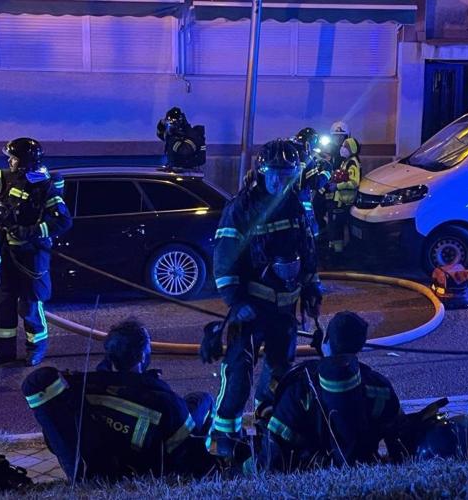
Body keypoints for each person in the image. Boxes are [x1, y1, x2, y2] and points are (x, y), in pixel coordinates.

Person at [203, 138, 322, 458]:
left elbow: (308, 249)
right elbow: (225, 260)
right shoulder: (241, 208)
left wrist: (312, 286)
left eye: (288, 175)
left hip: (285, 309)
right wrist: (236, 301)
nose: (281, 182)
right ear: (261, 172)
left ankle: (268, 430)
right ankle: (225, 437)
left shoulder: (297, 204)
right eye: (275, 175)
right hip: (252, 309)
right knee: (238, 375)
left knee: (278, 375)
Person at [22, 319, 215, 481]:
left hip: (106, 460)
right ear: (142, 356)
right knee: (203, 400)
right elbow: (185, 450)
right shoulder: (166, 403)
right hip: (147, 466)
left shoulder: (84, 387)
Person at [251, 312, 401, 472]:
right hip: (364, 461)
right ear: (360, 346)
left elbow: (274, 455)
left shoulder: (300, 387)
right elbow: (400, 439)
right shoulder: (379, 387)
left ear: (326, 340)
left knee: (266, 405)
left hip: (310, 469)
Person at [0, 138, 72, 367]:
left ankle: (36, 348)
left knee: (30, 304)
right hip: (8, 253)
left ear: (25, 161)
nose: (9, 161)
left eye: (13, 158)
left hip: (32, 256)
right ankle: (4, 352)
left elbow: (63, 221)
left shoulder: (45, 186)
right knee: (2, 302)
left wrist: (28, 232)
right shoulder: (10, 177)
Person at [292, 127, 330, 238]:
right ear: (310, 142)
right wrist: (327, 170)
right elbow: (316, 183)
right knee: (311, 230)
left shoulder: (290, 154)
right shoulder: (306, 157)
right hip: (302, 201)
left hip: (285, 201)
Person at [327, 137, 361, 257]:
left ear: (352, 149)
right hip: (340, 199)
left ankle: (338, 254)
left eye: (345, 146)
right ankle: (334, 250)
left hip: (344, 201)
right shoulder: (346, 161)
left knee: (337, 227)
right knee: (334, 226)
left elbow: (354, 183)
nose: (342, 148)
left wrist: (337, 186)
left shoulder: (352, 163)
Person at [156, 107, 206, 172]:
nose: (171, 125)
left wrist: (175, 138)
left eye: (173, 122)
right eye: (169, 122)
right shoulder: (173, 135)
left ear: (179, 122)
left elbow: (184, 152)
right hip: (175, 170)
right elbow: (160, 135)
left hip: (187, 173)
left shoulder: (189, 136)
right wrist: (161, 124)